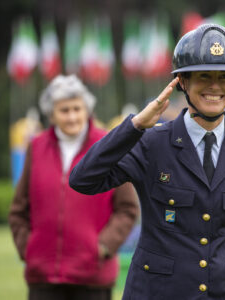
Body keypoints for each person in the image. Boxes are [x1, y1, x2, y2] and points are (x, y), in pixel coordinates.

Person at [70, 24, 225, 300]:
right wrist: (135, 125)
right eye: (203, 76)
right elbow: (82, 179)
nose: (215, 86)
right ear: (182, 82)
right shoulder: (151, 143)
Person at [8, 74, 139, 300]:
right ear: (51, 114)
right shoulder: (36, 148)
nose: (72, 117)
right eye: (64, 110)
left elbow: (127, 209)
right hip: (43, 278)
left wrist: (103, 247)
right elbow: (19, 208)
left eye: (77, 109)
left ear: (87, 110)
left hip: (93, 278)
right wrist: (29, 248)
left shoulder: (107, 145)